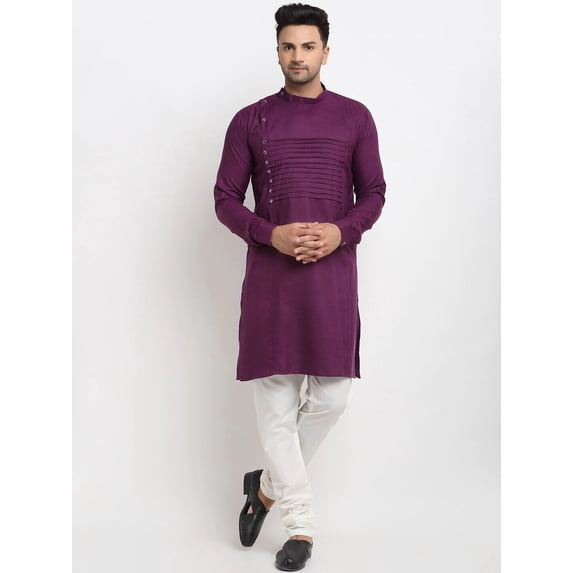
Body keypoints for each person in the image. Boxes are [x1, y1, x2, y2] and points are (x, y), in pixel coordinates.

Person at [214, 3, 386, 570]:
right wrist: (272, 235)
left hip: (332, 276)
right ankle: (301, 529)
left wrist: (339, 232)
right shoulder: (250, 120)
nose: (297, 56)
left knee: (333, 397)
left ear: (325, 52)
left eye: (308, 46)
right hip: (272, 280)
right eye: (288, 46)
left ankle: (264, 487)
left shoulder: (355, 117)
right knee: (277, 407)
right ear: (278, 52)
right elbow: (224, 198)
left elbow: (374, 193)